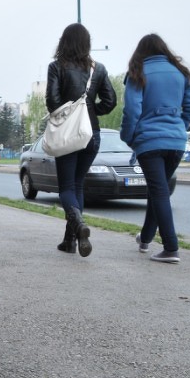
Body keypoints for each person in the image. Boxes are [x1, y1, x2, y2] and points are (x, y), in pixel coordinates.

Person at [119, 34, 190, 264]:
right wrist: (178, 127)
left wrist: (129, 137)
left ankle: (171, 248)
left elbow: (132, 110)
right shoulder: (180, 72)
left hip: (149, 142)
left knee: (159, 192)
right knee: (157, 190)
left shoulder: (138, 72)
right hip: (176, 142)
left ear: (141, 51)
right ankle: (145, 239)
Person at [45, 23, 117, 257]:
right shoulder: (99, 69)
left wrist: (70, 112)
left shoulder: (56, 67)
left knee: (66, 187)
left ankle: (78, 225)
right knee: (78, 185)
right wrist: (90, 111)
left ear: (64, 42)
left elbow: (52, 102)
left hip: (67, 134)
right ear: (87, 43)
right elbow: (110, 102)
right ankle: (70, 241)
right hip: (91, 135)